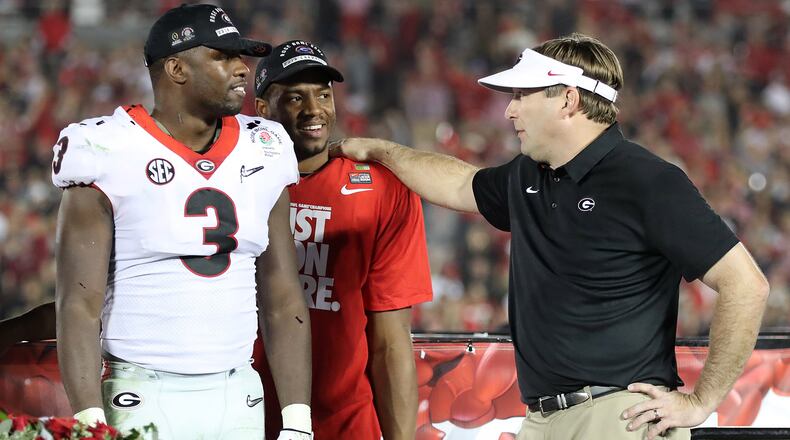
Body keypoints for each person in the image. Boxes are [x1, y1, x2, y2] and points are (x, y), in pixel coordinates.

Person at [333, 33, 770, 440]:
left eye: (522, 95)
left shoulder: (649, 180)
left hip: (619, 418)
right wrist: (382, 151)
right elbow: (458, 182)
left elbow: (746, 285)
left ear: (568, 100)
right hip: (542, 420)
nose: (510, 110)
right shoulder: (529, 174)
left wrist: (701, 402)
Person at [51, 5, 312, 439]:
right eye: (222, 56)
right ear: (175, 68)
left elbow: (283, 296)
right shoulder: (103, 147)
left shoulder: (264, 147)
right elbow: (77, 305)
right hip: (139, 390)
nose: (241, 69)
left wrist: (298, 423)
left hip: (238, 390)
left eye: (241, 57)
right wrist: (88, 422)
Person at [253, 40, 433, 440]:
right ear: (263, 109)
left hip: (347, 423)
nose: (314, 109)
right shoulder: (232, 185)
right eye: (296, 97)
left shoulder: (384, 188)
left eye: (323, 94)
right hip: (242, 420)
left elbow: (391, 343)